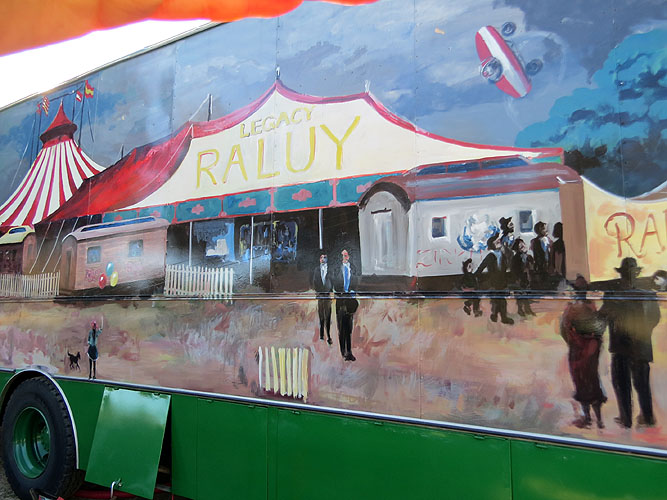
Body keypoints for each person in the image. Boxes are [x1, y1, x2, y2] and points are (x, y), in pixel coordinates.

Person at [599, 258, 661, 428]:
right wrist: (643, 334)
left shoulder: (612, 296)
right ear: (637, 273)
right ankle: (647, 417)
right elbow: (654, 319)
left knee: (622, 384)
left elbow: (603, 317)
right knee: (642, 385)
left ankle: (626, 419)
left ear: (621, 274)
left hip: (621, 348)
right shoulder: (648, 295)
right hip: (641, 347)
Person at [560, 276, 607, 429]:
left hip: (578, 350)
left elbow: (564, 329)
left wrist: (574, 342)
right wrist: (595, 343)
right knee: (593, 380)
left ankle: (587, 417)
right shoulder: (592, 307)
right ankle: (599, 419)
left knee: (581, 381)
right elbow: (600, 328)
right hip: (591, 349)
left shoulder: (572, 309)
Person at [475, 233, 513, 324]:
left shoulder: (502, 254)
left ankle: (496, 315)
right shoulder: (491, 256)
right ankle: (501, 317)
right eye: (496, 241)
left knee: (499, 300)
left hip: (502, 281)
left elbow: (506, 267)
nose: (498, 241)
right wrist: (475, 276)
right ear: (492, 245)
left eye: (498, 240)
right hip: (494, 281)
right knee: (499, 300)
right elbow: (481, 266)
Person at [333, 249, 359, 361]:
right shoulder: (336, 269)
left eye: (347, 255)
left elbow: (356, 281)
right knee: (341, 327)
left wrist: (352, 291)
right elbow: (334, 283)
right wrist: (340, 292)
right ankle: (343, 351)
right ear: (341, 257)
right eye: (343, 255)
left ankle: (349, 352)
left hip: (350, 300)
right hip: (340, 300)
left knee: (348, 327)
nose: (345, 257)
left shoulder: (353, 268)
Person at [311, 253, 333, 345]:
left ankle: (328, 334)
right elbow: (315, 281)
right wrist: (318, 291)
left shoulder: (330, 269)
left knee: (328, 315)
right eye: (321, 257)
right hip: (320, 295)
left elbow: (332, 281)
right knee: (321, 316)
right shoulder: (316, 269)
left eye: (325, 257)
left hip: (327, 295)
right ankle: (321, 334)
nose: (323, 259)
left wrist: (330, 290)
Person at [510, 238, 535, 316]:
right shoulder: (515, 258)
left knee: (526, 293)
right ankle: (520, 309)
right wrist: (517, 278)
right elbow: (514, 269)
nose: (523, 247)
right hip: (520, 278)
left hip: (527, 277)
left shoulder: (529, 256)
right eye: (520, 246)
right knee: (520, 294)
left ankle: (527, 309)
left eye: (523, 245)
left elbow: (532, 267)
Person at [530, 221, 552, 289]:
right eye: (544, 229)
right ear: (539, 231)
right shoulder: (536, 241)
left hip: (549, 262)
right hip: (541, 264)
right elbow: (536, 254)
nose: (547, 230)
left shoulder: (548, 240)